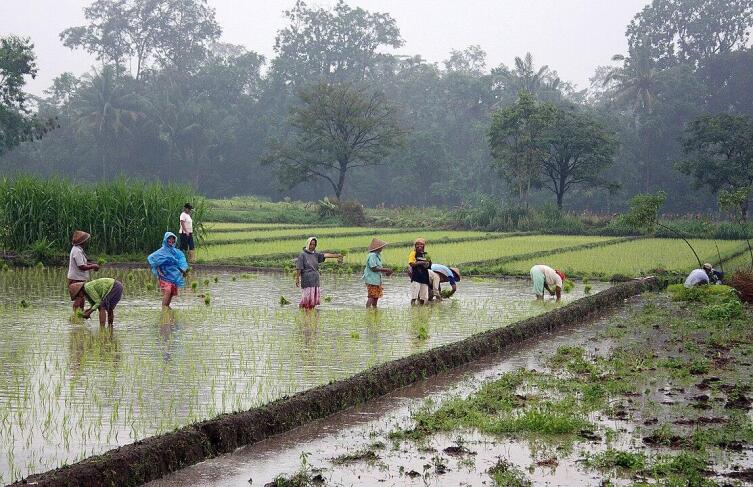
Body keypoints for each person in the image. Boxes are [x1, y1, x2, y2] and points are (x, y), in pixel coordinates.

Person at [295, 237, 343, 310]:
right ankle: (303, 315)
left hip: (315, 280)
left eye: (314, 245)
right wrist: (297, 278)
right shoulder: (303, 255)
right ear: (308, 244)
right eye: (311, 244)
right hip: (307, 280)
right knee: (306, 300)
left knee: (313, 301)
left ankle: (311, 315)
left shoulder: (316, 254)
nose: (312, 246)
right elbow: (299, 268)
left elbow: (325, 255)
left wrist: (337, 255)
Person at [148, 232, 189, 309]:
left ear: (175, 240)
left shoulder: (176, 252)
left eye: (173, 239)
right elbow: (152, 258)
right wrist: (158, 270)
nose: (171, 240)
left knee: (170, 294)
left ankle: (167, 311)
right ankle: (164, 309)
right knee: (168, 290)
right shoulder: (162, 251)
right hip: (164, 275)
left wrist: (183, 271)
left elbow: (181, 261)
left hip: (173, 276)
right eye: (169, 239)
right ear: (166, 240)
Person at [67, 230, 99, 312]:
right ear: (82, 241)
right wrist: (93, 266)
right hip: (76, 279)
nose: (86, 242)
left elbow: (83, 262)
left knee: (81, 299)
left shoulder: (78, 249)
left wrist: (92, 264)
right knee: (79, 298)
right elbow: (81, 266)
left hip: (79, 278)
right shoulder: (77, 251)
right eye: (86, 240)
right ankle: (75, 316)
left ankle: (79, 316)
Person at [363, 238, 393, 308]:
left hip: (376, 279)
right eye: (382, 247)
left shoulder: (377, 255)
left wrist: (386, 271)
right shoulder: (372, 255)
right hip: (371, 279)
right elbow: (373, 268)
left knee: (376, 296)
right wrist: (386, 270)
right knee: (371, 296)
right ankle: (368, 310)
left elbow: (378, 268)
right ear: (378, 248)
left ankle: (374, 309)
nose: (382, 248)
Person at [408, 238, 432, 305]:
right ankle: (413, 310)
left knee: (423, 298)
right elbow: (411, 263)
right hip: (416, 277)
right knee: (414, 296)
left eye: (421, 244)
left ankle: (421, 311)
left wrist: (427, 264)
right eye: (418, 244)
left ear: (424, 245)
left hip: (424, 277)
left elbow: (429, 266)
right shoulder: (413, 253)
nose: (419, 245)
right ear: (415, 245)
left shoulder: (426, 254)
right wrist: (421, 263)